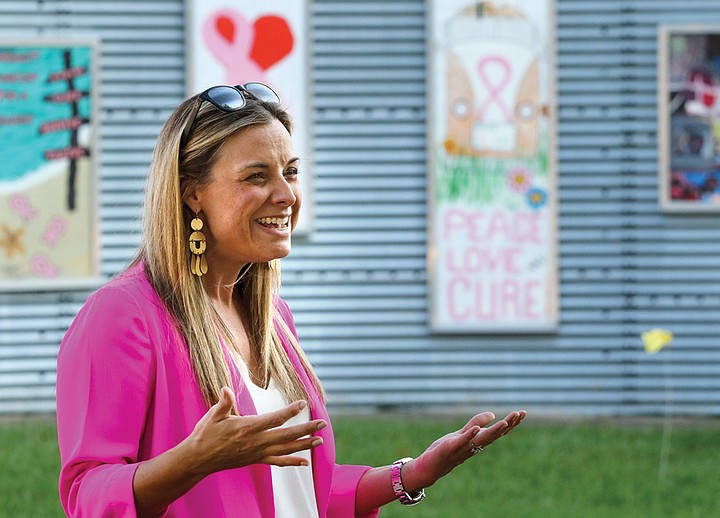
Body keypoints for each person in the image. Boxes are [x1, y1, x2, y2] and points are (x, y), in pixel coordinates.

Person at [56, 82, 526, 517]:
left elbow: (301, 491)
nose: (285, 194)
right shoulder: (123, 316)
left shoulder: (273, 318)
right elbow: (87, 494)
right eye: (256, 176)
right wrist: (191, 462)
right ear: (192, 193)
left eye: (291, 172)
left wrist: (410, 474)